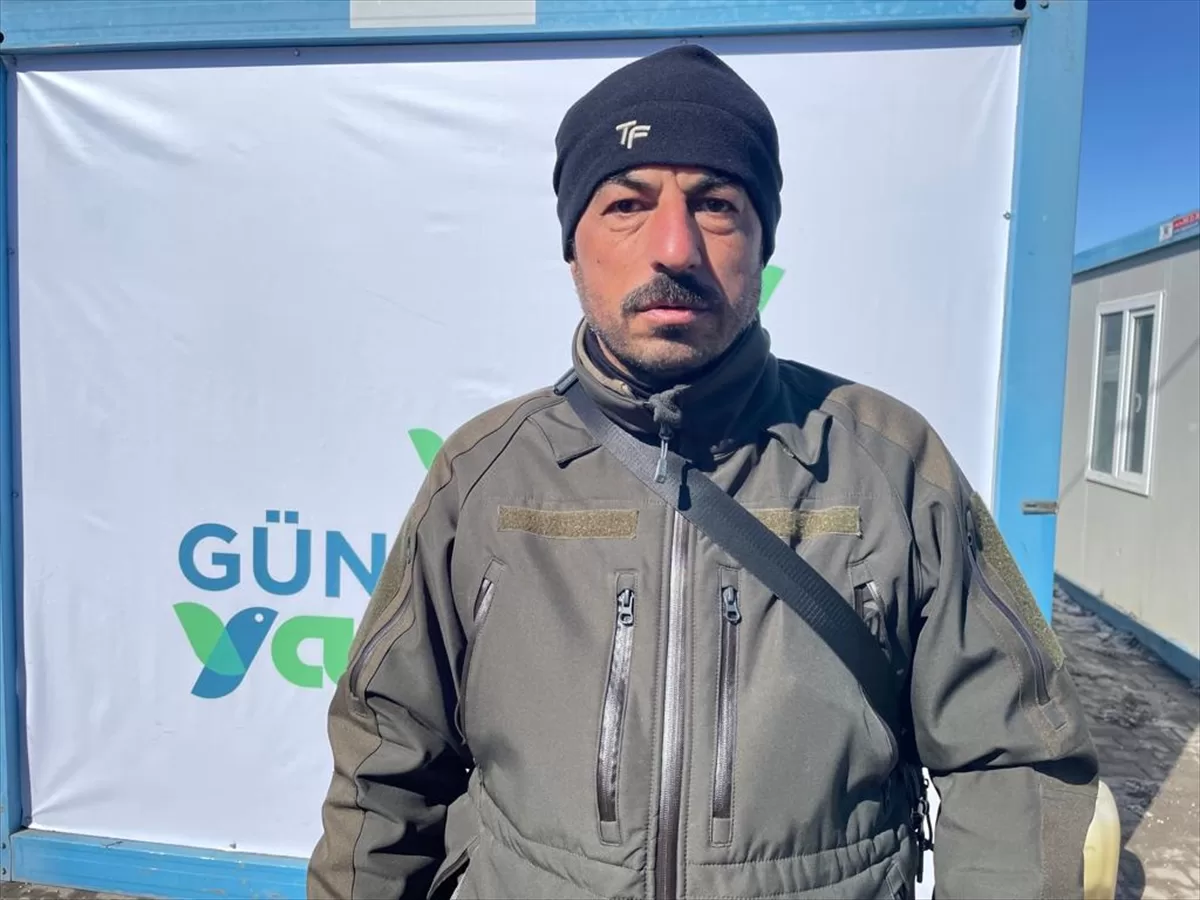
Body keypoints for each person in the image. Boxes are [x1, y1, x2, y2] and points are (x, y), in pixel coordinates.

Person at [307, 44, 1099, 900]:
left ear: (761, 244)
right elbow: (387, 768)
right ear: (573, 246)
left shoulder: (892, 468)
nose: (674, 247)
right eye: (626, 204)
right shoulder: (484, 476)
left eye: (717, 204)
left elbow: (1017, 762)